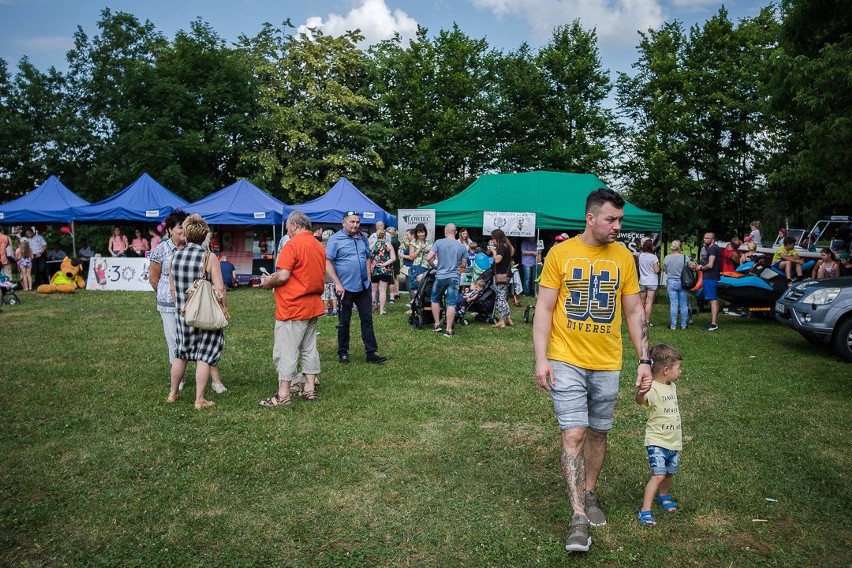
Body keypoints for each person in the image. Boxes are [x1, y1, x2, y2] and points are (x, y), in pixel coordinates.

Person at [533, 187, 651, 554]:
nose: (618, 226)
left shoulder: (624, 258)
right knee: (575, 434)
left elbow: (634, 312)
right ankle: (578, 515)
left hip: (607, 361)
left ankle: (589, 490)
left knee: (599, 433)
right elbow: (544, 309)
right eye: (611, 219)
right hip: (566, 358)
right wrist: (541, 358)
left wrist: (644, 359)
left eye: (620, 220)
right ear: (590, 218)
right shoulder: (561, 253)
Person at [259, 211, 326, 407]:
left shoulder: (293, 244)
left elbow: (283, 276)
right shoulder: (318, 245)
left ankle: (283, 394)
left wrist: (268, 282)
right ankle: (309, 389)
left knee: (286, 351)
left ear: (295, 226)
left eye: (288, 227)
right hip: (312, 304)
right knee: (309, 348)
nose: (287, 230)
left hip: (293, 306)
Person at [167, 214, 228, 409]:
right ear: (204, 236)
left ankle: (173, 393)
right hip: (205, 313)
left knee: (181, 354)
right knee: (204, 355)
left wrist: (181, 307)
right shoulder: (208, 257)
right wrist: (223, 308)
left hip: (183, 313)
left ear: (186, 233)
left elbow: (173, 289)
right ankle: (199, 399)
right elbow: (220, 289)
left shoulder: (174, 256)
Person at [325, 211, 388, 365]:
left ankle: (371, 352)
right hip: (345, 288)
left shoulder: (363, 238)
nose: (355, 225)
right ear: (344, 223)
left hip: (363, 286)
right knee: (344, 321)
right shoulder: (335, 240)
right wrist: (337, 283)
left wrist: (367, 275)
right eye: (352, 222)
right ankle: (343, 352)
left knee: (367, 319)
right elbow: (327, 263)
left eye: (357, 222)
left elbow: (367, 256)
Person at [635, 343, 683, 527]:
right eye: (678, 368)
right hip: (657, 442)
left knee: (669, 474)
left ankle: (663, 496)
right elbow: (640, 400)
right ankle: (645, 510)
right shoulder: (653, 388)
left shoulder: (671, 386)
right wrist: (641, 392)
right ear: (665, 370)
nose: (680, 372)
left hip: (673, 441)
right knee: (658, 475)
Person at [426, 223, 468, 337]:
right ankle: (449, 329)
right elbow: (464, 264)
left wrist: (435, 267)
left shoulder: (439, 242)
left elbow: (428, 257)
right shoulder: (462, 247)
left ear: (445, 231)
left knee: (435, 299)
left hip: (440, 276)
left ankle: (437, 324)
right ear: (456, 232)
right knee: (451, 303)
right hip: (454, 277)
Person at [694, 232, 721, 331]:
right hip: (712, 277)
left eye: (707, 238)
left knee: (712, 300)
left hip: (710, 277)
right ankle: (714, 322)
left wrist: (701, 267)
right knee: (714, 300)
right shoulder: (713, 248)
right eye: (704, 238)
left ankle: (713, 324)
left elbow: (710, 265)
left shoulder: (713, 249)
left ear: (713, 240)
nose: (705, 240)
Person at [487, 228, 514, 328]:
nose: (493, 240)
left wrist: (494, 251)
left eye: (493, 238)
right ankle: (508, 319)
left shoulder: (502, 247)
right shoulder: (507, 245)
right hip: (505, 275)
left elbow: (497, 260)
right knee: (503, 298)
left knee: (500, 299)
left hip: (500, 276)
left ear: (497, 238)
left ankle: (501, 320)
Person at [663, 240, 689, 330]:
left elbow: (666, 271)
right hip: (683, 282)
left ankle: (673, 325)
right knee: (683, 304)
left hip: (671, 282)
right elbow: (689, 269)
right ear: (680, 247)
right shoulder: (685, 257)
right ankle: (684, 325)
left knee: (673, 304)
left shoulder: (667, 258)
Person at [370, 228, 396, 315]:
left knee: (373, 291)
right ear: (385, 236)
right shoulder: (388, 245)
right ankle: (382, 310)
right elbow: (393, 258)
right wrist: (384, 264)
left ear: (377, 236)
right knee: (382, 290)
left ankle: (369, 309)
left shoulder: (372, 245)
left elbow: (368, 257)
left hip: (374, 269)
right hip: (385, 270)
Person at [405, 223, 432, 301]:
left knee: (425, 287)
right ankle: (415, 304)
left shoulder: (429, 242)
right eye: (419, 232)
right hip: (417, 267)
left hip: (427, 266)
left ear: (425, 232)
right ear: (416, 233)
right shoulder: (413, 242)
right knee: (416, 287)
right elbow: (411, 257)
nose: (421, 234)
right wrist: (420, 248)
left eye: (422, 232)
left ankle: (423, 304)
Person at [637, 239, 660, 327]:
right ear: (651, 247)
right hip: (652, 281)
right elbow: (656, 270)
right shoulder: (653, 257)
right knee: (649, 302)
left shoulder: (641, 256)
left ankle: (640, 320)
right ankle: (647, 321)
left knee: (641, 302)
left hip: (642, 281)